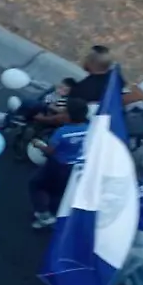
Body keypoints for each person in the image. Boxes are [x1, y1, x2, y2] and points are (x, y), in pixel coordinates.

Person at [29, 98, 90, 229]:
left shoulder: (62, 132)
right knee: (59, 192)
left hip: (57, 166)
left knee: (36, 185)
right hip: (76, 167)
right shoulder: (90, 128)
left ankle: (44, 214)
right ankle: (54, 214)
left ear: (68, 115)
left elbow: (50, 151)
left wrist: (38, 145)